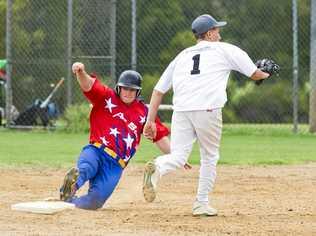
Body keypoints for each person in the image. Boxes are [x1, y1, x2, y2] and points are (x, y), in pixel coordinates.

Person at [142, 14, 271, 216]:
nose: (219, 34)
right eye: (217, 30)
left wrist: (150, 121)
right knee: (209, 156)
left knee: (177, 156)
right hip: (208, 109)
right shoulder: (225, 49)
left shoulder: (182, 55)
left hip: (182, 110)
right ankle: (201, 203)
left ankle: (157, 167)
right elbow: (255, 74)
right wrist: (266, 73)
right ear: (209, 33)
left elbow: (158, 91)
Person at [59, 62, 171, 210]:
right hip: (96, 151)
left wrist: (176, 156)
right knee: (86, 168)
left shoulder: (144, 112)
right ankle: (70, 187)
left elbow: (159, 136)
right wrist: (80, 72)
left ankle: (69, 203)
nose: (128, 92)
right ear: (119, 87)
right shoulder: (107, 96)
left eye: (133, 90)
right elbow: (89, 85)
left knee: (95, 202)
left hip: (115, 166)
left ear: (138, 92)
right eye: (125, 88)